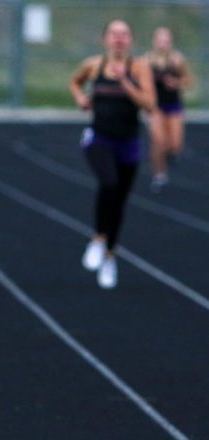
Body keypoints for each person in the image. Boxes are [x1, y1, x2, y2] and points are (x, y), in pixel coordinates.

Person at [69, 19, 155, 290]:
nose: (119, 39)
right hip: (99, 138)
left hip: (128, 143)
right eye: (114, 34)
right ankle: (97, 239)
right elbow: (75, 82)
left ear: (131, 40)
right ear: (105, 39)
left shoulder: (139, 68)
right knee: (108, 183)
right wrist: (80, 98)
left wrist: (125, 83)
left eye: (124, 34)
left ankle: (109, 257)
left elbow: (150, 105)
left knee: (118, 202)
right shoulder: (94, 65)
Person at [144, 26, 192, 192]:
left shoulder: (177, 60)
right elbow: (140, 83)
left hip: (173, 105)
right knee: (158, 141)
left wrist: (176, 83)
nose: (163, 44)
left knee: (175, 145)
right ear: (154, 41)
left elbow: (188, 81)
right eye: (160, 40)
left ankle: (171, 153)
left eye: (166, 40)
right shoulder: (147, 60)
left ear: (171, 42)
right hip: (155, 106)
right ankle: (159, 174)